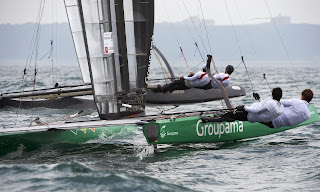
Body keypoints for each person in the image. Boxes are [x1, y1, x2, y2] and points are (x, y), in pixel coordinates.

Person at [201, 87, 284, 123]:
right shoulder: (280, 107)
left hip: (250, 115)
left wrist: (244, 107)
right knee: (233, 113)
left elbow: (257, 110)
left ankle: (209, 120)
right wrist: (259, 99)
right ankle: (225, 115)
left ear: (272, 94)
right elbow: (263, 106)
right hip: (251, 115)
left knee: (232, 116)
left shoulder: (271, 104)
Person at [155, 64, 234, 93]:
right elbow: (209, 77)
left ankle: (164, 89)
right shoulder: (228, 80)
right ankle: (170, 89)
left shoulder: (222, 75)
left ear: (226, 70)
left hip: (203, 84)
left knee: (178, 81)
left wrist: (184, 77)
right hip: (207, 86)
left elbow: (192, 79)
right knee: (181, 85)